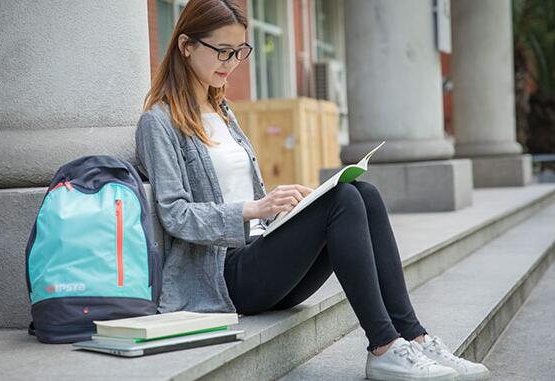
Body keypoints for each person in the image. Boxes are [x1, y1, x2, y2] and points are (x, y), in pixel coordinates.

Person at [135, 1, 489, 380]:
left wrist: (282, 205)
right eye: (222, 51)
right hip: (222, 278)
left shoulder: (223, 111)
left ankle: (414, 338)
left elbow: (237, 190)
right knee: (341, 201)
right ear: (186, 45)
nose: (231, 62)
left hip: (261, 258)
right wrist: (254, 209)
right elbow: (174, 213)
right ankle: (384, 346)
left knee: (361, 193)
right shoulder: (159, 121)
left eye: (239, 51)